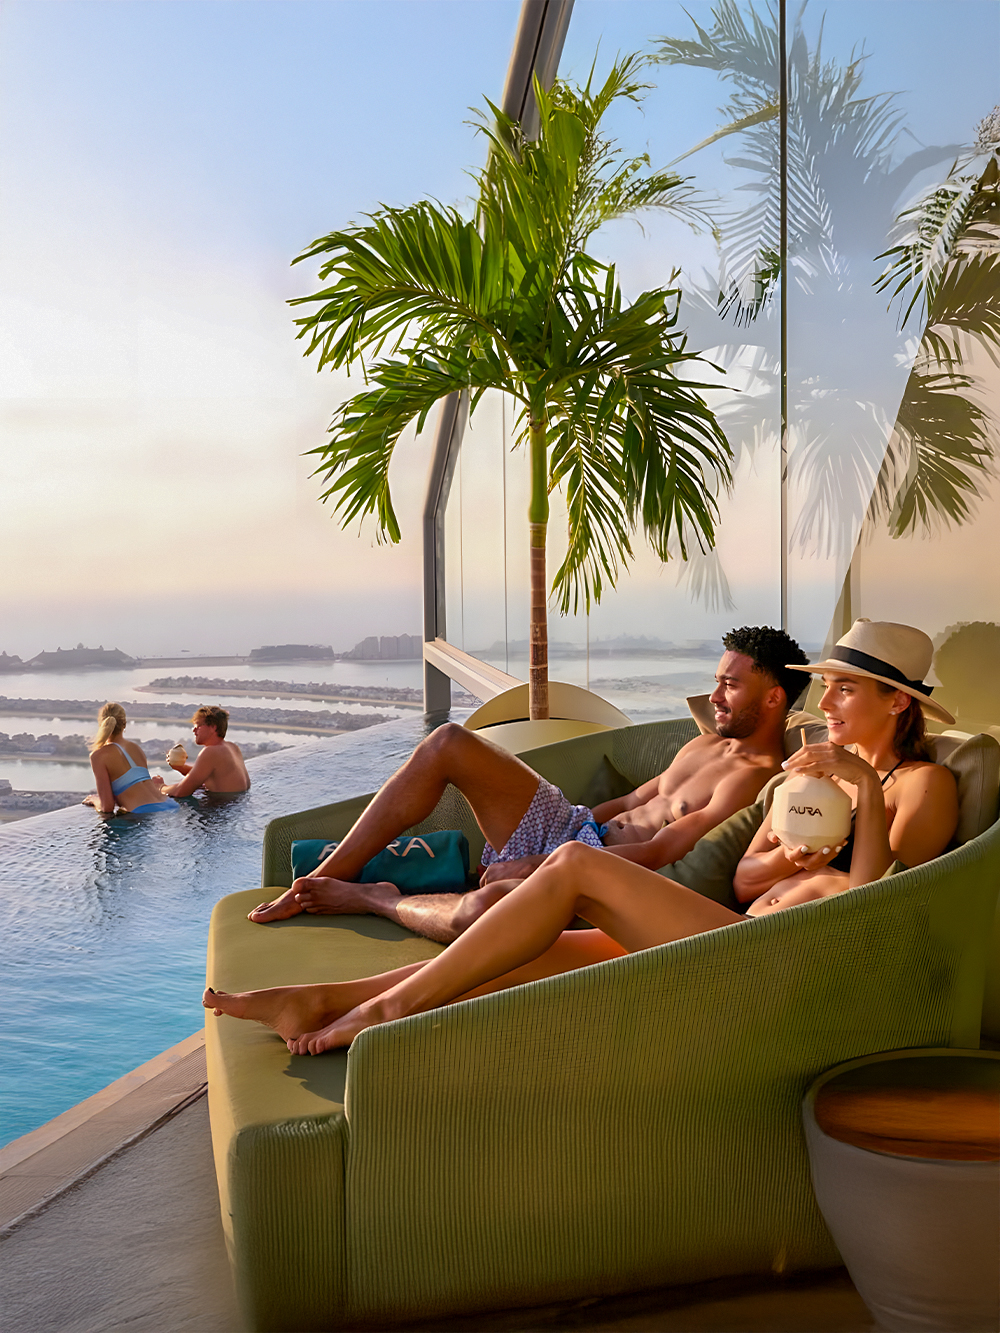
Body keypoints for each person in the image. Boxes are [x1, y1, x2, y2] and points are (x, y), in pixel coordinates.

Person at [205, 619, 959, 1054]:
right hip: (738, 928)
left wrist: (865, 791)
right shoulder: (810, 777)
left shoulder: (923, 784)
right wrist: (789, 853)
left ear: (897, 703)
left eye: (845, 688)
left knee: (570, 863)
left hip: (786, 963)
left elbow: (879, 909)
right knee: (518, 954)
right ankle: (318, 999)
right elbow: (744, 879)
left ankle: (383, 1012)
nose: (825, 702)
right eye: (827, 685)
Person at [248, 627, 810, 940]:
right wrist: (556, 824)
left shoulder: (754, 779)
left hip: (603, 871)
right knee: (448, 743)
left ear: (773, 698)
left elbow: (661, 850)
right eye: (717, 681)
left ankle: (379, 899)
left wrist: (539, 864)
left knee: (480, 914)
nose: (714, 696)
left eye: (731, 686)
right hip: (576, 830)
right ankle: (320, 879)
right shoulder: (703, 745)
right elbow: (630, 800)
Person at [83, 702, 180, 816]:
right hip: (171, 805)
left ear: (101, 725)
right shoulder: (135, 748)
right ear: (124, 724)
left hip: (144, 813)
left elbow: (107, 807)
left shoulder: (98, 756)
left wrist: (94, 800)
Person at [156, 705, 250, 798]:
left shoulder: (211, 751)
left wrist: (159, 787)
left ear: (213, 727)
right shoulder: (232, 747)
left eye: (198, 725)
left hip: (221, 805)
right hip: (236, 803)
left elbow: (180, 792)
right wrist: (180, 767)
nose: (194, 730)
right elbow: (208, 775)